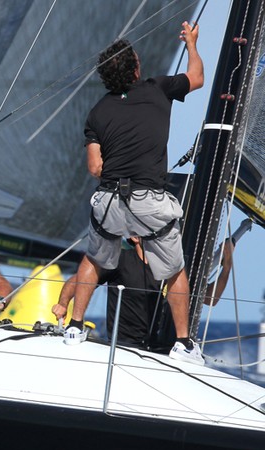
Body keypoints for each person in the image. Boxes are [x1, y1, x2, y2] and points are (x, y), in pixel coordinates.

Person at [68, 21, 205, 364]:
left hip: (110, 198)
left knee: (95, 260)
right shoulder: (159, 88)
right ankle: (184, 344)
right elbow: (197, 77)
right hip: (148, 199)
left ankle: (74, 326)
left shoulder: (98, 111)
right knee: (174, 269)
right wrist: (191, 44)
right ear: (136, 67)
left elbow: (95, 167)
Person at [52, 236, 234, 349]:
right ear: (135, 237)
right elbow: (77, 281)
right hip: (124, 346)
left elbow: (210, 298)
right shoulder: (120, 261)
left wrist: (226, 267)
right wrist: (63, 303)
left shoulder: (172, 271)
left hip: (161, 348)